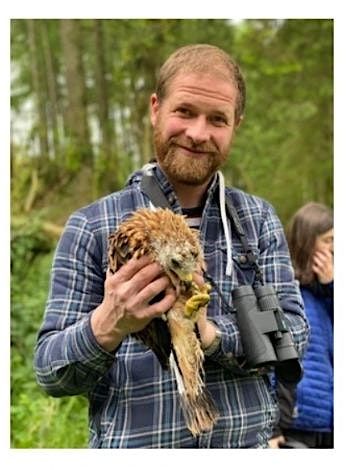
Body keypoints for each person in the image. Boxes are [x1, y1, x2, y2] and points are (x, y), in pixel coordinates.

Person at [34, 44, 309, 448]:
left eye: (218, 119)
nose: (198, 133)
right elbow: (50, 373)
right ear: (155, 109)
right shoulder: (92, 225)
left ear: (236, 125)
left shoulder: (257, 221)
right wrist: (110, 322)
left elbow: (296, 336)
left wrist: (209, 333)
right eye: (184, 111)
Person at [269, 202, 333, 449]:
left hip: (330, 426)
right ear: (308, 242)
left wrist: (331, 287)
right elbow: (270, 359)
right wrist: (273, 427)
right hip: (296, 424)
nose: (334, 248)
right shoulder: (284, 290)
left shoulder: (327, 294)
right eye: (328, 240)